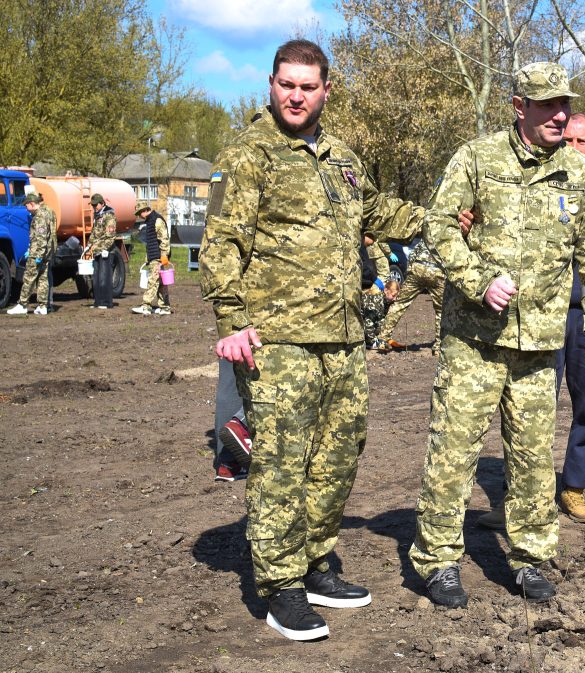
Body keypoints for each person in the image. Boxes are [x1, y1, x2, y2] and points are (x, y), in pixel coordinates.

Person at [199, 39, 423, 641]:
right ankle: (280, 587)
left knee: (337, 456)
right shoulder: (249, 154)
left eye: (307, 86)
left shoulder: (341, 157)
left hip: (342, 337)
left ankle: (314, 561)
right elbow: (222, 243)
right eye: (286, 85)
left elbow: (375, 211)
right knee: (280, 462)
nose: (296, 96)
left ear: (326, 90)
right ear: (271, 85)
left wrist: (444, 217)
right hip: (278, 341)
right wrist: (231, 322)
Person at [408, 62, 585, 608]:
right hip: (473, 341)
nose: (560, 114)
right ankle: (439, 560)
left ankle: (530, 558)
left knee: (530, 458)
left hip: (541, 343)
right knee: (453, 452)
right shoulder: (477, 158)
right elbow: (437, 225)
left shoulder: (584, 174)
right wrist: (478, 279)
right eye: (548, 105)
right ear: (519, 107)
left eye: (565, 104)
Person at [476, 112, 585, 527]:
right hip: (540, 315)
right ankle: (519, 496)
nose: (572, 148)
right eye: (566, 140)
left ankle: (573, 486)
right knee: (528, 407)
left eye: (581, 142)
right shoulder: (539, 182)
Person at [374, 239, 446, 354]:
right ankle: (438, 347)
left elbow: (413, 253)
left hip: (418, 268)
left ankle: (382, 339)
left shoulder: (427, 235)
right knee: (440, 310)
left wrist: (410, 272)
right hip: (437, 271)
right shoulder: (448, 236)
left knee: (400, 304)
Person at [7, 193, 56, 316]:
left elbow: (41, 238)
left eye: (26, 206)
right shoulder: (49, 212)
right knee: (43, 279)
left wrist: (37, 255)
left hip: (38, 253)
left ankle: (22, 304)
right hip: (47, 253)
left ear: (32, 204)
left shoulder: (39, 217)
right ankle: (42, 306)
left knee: (29, 278)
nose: (26, 209)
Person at [131, 204, 172, 316]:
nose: (139, 216)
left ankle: (146, 307)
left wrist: (164, 257)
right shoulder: (150, 221)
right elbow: (151, 242)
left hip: (158, 257)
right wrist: (148, 258)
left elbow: (164, 240)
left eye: (139, 213)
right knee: (161, 283)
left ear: (145, 210)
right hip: (154, 256)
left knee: (152, 282)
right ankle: (165, 307)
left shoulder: (157, 220)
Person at [85, 193, 117, 309]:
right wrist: (89, 246)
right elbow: (94, 233)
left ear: (102, 203)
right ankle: (98, 301)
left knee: (104, 277)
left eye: (95, 205)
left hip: (106, 252)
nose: (94, 207)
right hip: (96, 251)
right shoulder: (98, 215)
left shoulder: (109, 216)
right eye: (92, 205)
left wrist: (102, 249)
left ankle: (106, 302)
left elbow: (110, 236)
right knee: (96, 278)